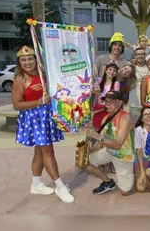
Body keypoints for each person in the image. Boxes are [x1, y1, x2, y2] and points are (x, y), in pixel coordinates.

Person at [12, 46, 74, 203]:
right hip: (34, 119)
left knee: (40, 152)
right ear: (19, 62)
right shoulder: (20, 80)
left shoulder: (44, 75)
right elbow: (17, 105)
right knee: (48, 152)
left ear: (36, 59)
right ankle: (60, 186)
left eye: (30, 58)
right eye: (23, 60)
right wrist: (38, 102)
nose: (27, 62)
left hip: (46, 116)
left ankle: (36, 184)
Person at [85, 91, 135, 196]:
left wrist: (97, 136)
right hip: (109, 152)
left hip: (124, 156)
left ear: (120, 102)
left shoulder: (125, 118)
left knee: (124, 192)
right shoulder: (105, 118)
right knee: (85, 161)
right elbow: (100, 143)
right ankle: (108, 182)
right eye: (106, 101)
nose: (107, 104)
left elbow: (117, 145)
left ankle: (134, 170)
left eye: (110, 102)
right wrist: (87, 151)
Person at [134, 107, 150, 192]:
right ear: (142, 119)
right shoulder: (138, 130)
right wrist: (142, 171)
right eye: (145, 114)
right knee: (141, 188)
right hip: (142, 160)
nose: (148, 116)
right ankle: (147, 175)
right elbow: (139, 151)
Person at [92, 62, 119, 129]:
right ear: (106, 70)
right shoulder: (98, 80)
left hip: (109, 110)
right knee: (96, 129)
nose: (112, 72)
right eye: (110, 69)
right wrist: (95, 91)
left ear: (116, 74)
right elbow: (93, 92)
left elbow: (115, 97)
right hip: (97, 109)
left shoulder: (116, 84)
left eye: (114, 71)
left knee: (107, 130)